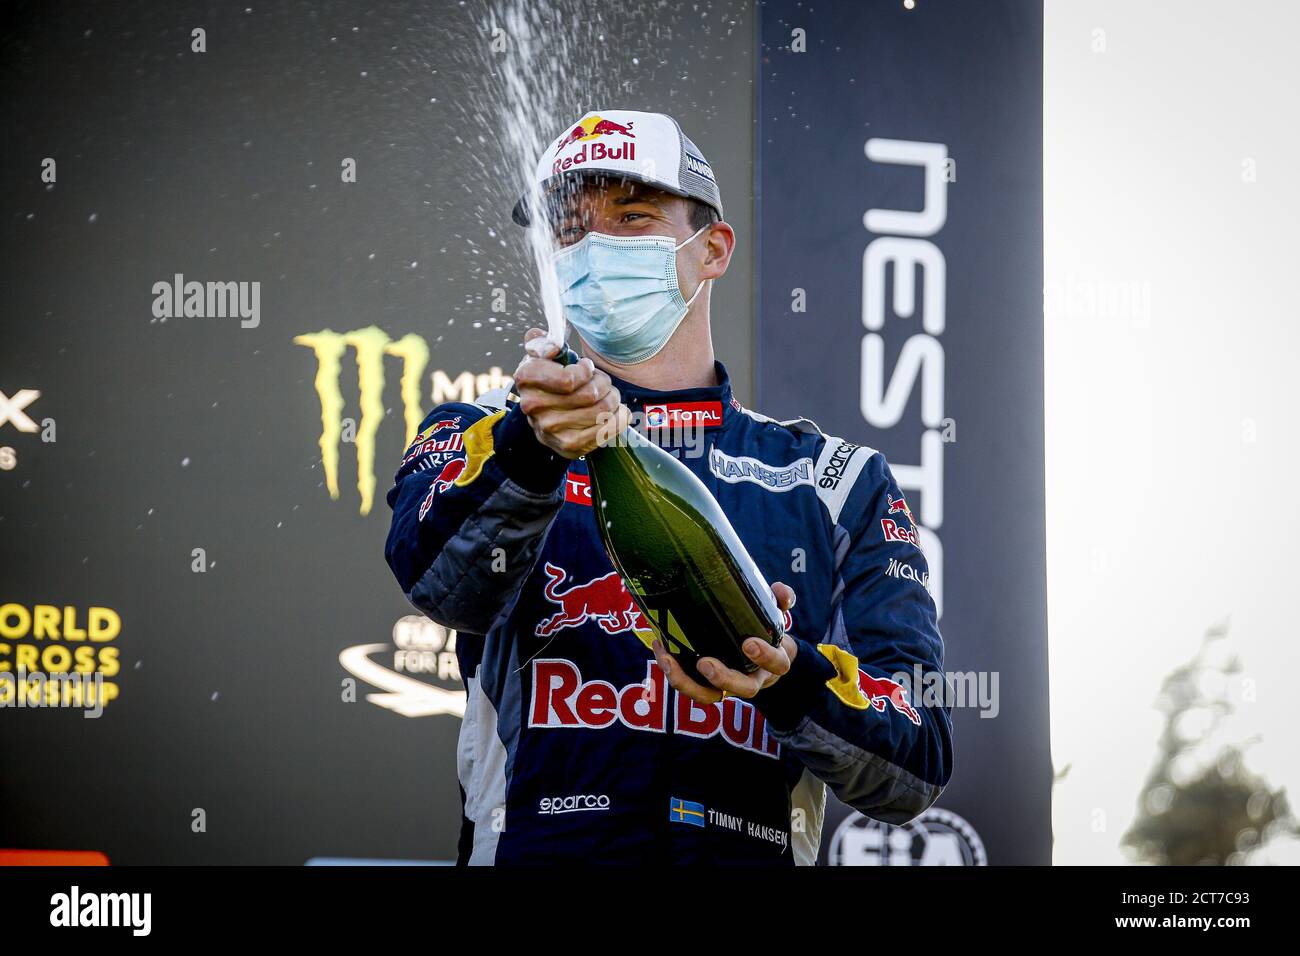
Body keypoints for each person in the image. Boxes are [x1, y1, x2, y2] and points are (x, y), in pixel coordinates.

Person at [385, 109, 952, 865]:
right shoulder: (486, 432)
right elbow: (437, 584)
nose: (595, 247)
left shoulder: (834, 482)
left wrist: (790, 677)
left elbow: (915, 762)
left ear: (712, 248)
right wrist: (533, 448)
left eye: (632, 217)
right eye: (571, 229)